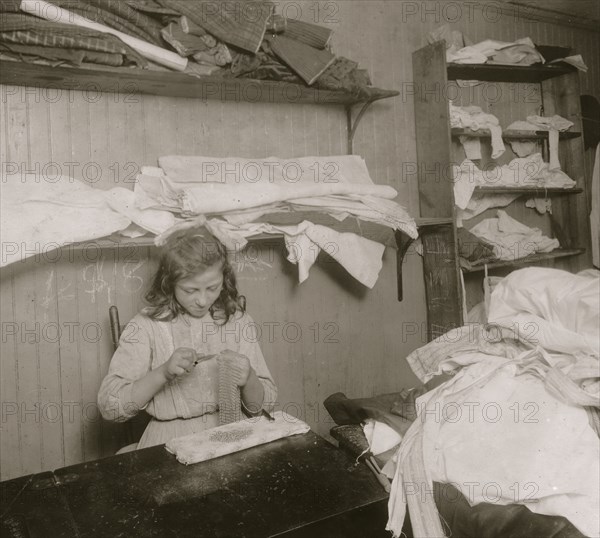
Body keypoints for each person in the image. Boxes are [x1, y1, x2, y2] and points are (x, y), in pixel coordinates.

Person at [98, 226, 277, 449]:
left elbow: (262, 406)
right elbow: (110, 408)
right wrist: (162, 373)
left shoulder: (237, 321)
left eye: (212, 288)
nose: (203, 300)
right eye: (190, 290)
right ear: (169, 283)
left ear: (224, 277)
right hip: (169, 439)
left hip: (231, 432)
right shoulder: (146, 326)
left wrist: (249, 377)